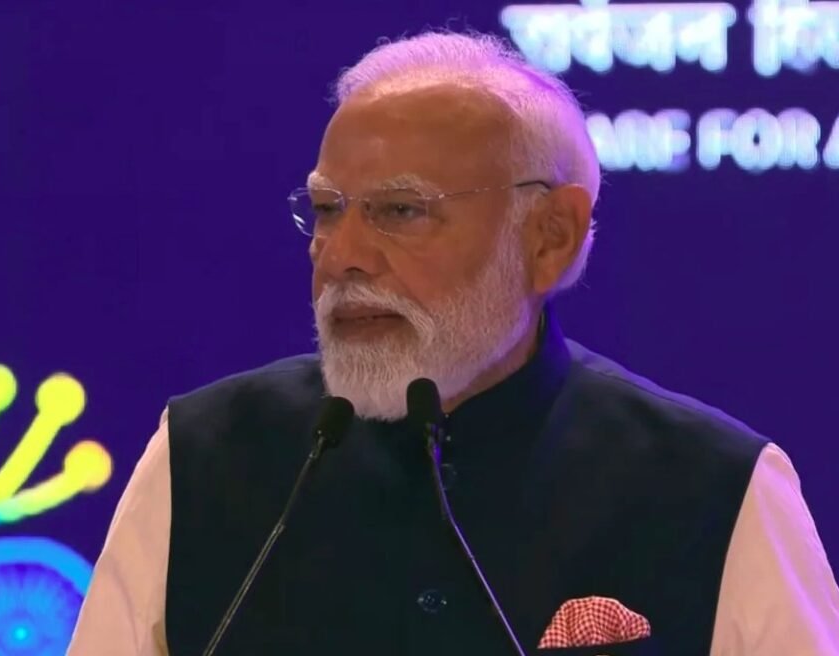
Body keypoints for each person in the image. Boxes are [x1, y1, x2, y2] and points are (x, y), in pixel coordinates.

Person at [66, 31, 839, 655]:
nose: (341, 257)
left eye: (401, 211)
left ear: (550, 237)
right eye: (329, 210)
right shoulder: (202, 455)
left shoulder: (716, 488)